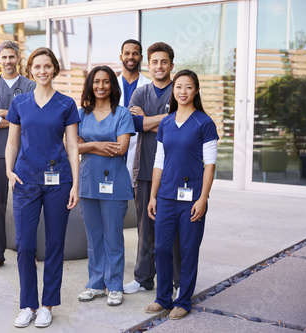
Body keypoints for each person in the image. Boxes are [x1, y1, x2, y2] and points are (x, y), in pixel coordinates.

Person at [5, 47, 80, 328]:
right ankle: (28, 304)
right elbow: (12, 142)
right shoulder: (20, 103)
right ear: (30, 70)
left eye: (47, 66)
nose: (42, 71)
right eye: (37, 66)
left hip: (58, 182)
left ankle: (47, 304)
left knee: (54, 244)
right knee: (24, 245)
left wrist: (74, 182)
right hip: (25, 180)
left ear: (54, 69)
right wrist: (9, 171)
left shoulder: (66, 104)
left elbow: (72, 145)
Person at [144, 69, 218, 319]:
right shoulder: (166, 121)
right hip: (165, 197)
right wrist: (153, 195)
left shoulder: (204, 123)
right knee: (162, 248)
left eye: (188, 87)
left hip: (192, 200)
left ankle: (183, 300)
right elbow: (159, 162)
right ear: (173, 91)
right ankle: (163, 298)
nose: (183, 92)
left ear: (196, 91)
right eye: (178, 87)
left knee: (188, 250)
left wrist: (202, 198)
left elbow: (210, 166)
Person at [123, 42, 181, 295]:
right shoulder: (139, 93)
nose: (159, 66)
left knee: (175, 229)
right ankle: (143, 278)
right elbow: (133, 123)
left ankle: (178, 282)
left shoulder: (179, 90)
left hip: (175, 171)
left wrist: (149, 121)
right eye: (155, 62)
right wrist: (168, 120)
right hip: (145, 168)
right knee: (145, 228)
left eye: (164, 62)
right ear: (149, 64)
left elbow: (184, 126)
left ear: (171, 65)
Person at [76, 66, 135, 307]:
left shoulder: (122, 114)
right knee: (94, 236)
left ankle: (114, 286)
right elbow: (71, 147)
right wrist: (98, 146)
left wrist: (87, 143)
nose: (101, 86)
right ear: (90, 85)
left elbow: (120, 148)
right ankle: (95, 284)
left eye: (106, 82)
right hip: (88, 181)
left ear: (113, 85)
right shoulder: (81, 114)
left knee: (113, 237)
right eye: (96, 82)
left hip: (114, 182)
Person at [0, 41, 36, 272]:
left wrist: (1, 115)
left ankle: (27, 252)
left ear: (18, 58)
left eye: (11, 57)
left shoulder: (31, 85)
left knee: (27, 206)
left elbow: (31, 117)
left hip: (25, 154)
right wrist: (14, 116)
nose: (8, 61)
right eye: (4, 57)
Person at [116, 39, 152, 187]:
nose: (131, 57)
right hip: (115, 147)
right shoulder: (111, 86)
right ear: (121, 57)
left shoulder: (149, 87)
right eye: (127, 53)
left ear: (141, 58)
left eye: (135, 54)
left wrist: (145, 119)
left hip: (140, 151)